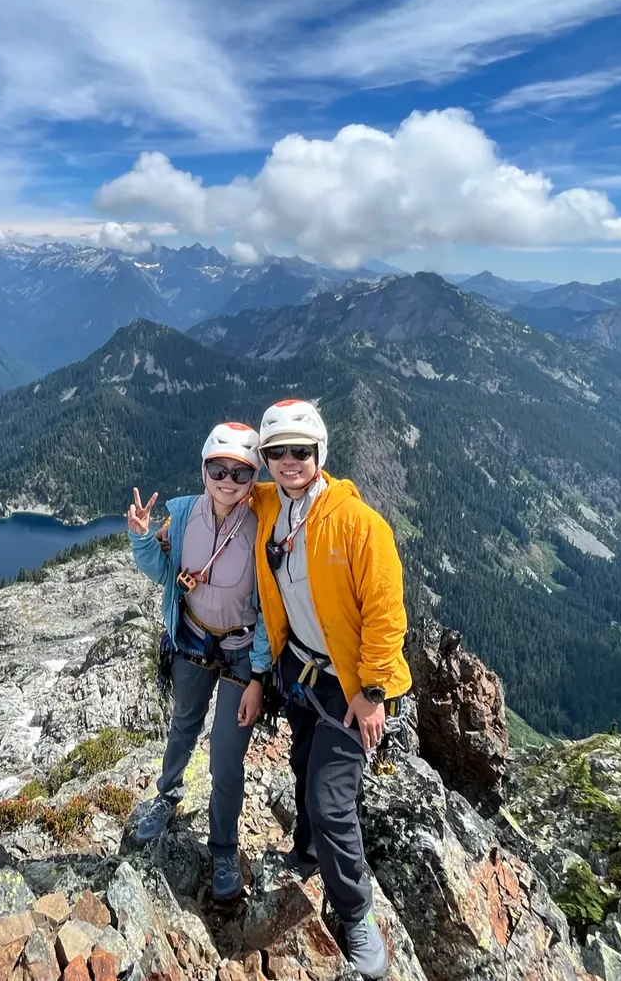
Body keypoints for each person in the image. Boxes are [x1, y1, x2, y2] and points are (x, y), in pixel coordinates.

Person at [250, 398, 409, 978]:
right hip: (300, 670)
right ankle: (308, 851)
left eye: (300, 452)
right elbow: (222, 493)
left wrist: (372, 692)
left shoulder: (360, 525)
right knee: (300, 764)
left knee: (331, 798)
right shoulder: (271, 505)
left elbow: (387, 615)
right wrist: (160, 536)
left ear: (320, 454)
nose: (288, 462)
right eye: (277, 453)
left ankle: (357, 915)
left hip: (350, 686)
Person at [126, 421, 272, 901]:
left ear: (254, 479)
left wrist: (259, 675)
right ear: (204, 468)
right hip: (190, 640)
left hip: (238, 654)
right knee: (183, 725)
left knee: (227, 758)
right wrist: (144, 539)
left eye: (240, 472)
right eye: (218, 469)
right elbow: (164, 573)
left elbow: (272, 605)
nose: (228, 480)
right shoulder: (184, 514)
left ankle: (224, 848)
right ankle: (166, 797)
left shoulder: (261, 525)